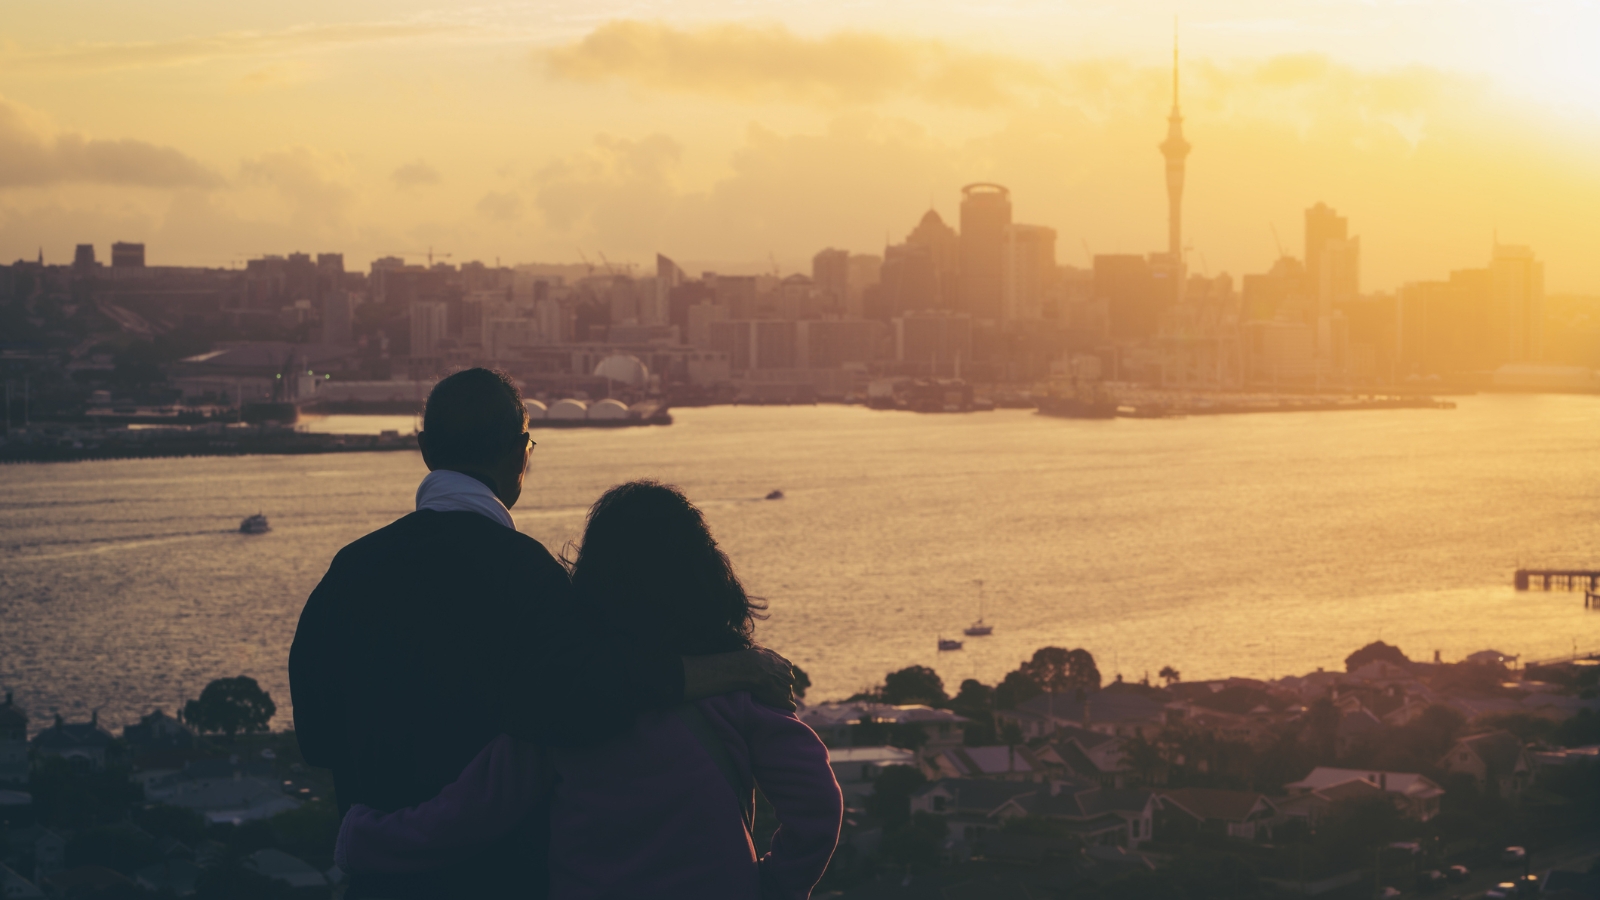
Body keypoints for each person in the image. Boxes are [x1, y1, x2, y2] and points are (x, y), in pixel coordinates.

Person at [289, 369, 795, 899]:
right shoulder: (530, 577)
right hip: (504, 877)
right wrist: (737, 667)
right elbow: (589, 698)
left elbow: (317, 740)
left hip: (380, 877)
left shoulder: (348, 572)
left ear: (424, 450)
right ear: (519, 455)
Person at [335, 481, 843, 900]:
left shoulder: (559, 711)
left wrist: (359, 837)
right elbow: (817, 804)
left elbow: (465, 816)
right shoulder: (740, 689)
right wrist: (772, 885)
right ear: (704, 573)